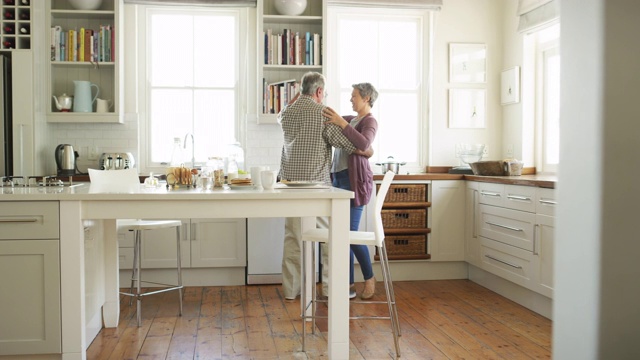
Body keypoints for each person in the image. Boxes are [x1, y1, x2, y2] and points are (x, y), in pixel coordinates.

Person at [278, 71, 371, 301]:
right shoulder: (323, 113)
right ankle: (331, 291)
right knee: (330, 239)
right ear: (319, 92)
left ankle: (291, 291)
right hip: (316, 188)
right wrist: (366, 150)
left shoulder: (287, 113)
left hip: (288, 186)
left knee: (293, 239)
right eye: (325, 93)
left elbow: (280, 116)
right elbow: (348, 143)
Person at [323, 83, 379, 299]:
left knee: (350, 234)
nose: (350, 99)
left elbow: (365, 143)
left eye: (354, 96)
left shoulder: (370, 120)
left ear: (366, 98)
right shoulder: (353, 119)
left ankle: (369, 277)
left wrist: (340, 122)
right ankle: (347, 286)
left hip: (354, 181)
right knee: (341, 235)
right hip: (338, 179)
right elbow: (333, 119)